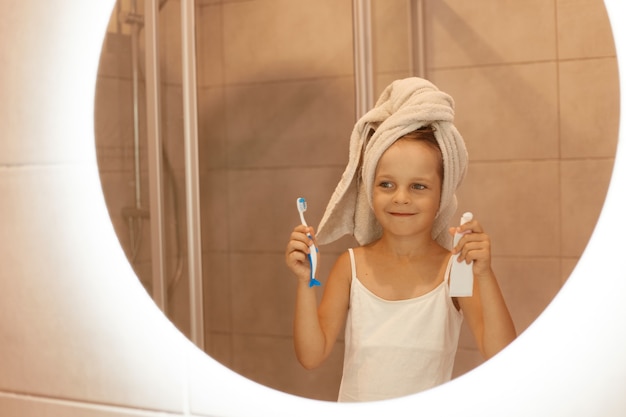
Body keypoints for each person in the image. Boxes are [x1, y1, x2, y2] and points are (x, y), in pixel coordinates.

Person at [285, 77, 516, 402]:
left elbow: (501, 355)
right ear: (370, 190)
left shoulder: (457, 271)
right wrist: (303, 282)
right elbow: (311, 355)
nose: (401, 198)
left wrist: (484, 274)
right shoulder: (351, 266)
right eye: (387, 185)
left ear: (442, 195)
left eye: (418, 186)